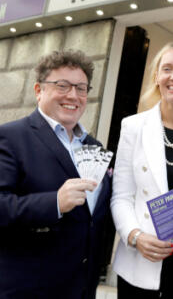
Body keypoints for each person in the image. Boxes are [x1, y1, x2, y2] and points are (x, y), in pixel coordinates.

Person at [0, 50, 113, 299]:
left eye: (81, 88)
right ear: (38, 90)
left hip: (82, 288)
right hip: (28, 289)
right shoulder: (10, 137)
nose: (73, 95)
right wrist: (54, 203)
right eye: (62, 85)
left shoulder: (96, 149)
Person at [110, 41, 173, 299]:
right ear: (156, 77)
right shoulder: (133, 126)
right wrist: (134, 235)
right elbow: (121, 195)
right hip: (140, 259)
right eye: (167, 69)